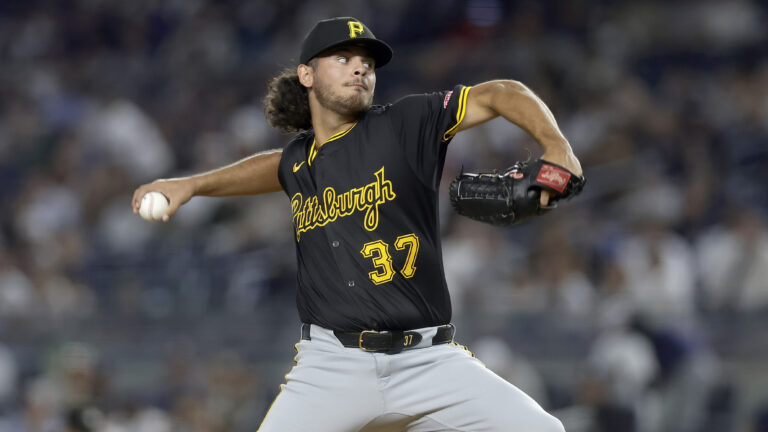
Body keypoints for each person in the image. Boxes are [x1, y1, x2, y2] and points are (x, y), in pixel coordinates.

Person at [133, 16, 582, 432]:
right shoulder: (299, 162)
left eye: (367, 63)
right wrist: (191, 185)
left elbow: (500, 91)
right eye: (343, 59)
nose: (359, 70)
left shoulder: (407, 124)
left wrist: (556, 144)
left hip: (429, 360)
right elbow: (273, 167)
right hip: (331, 365)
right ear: (306, 75)